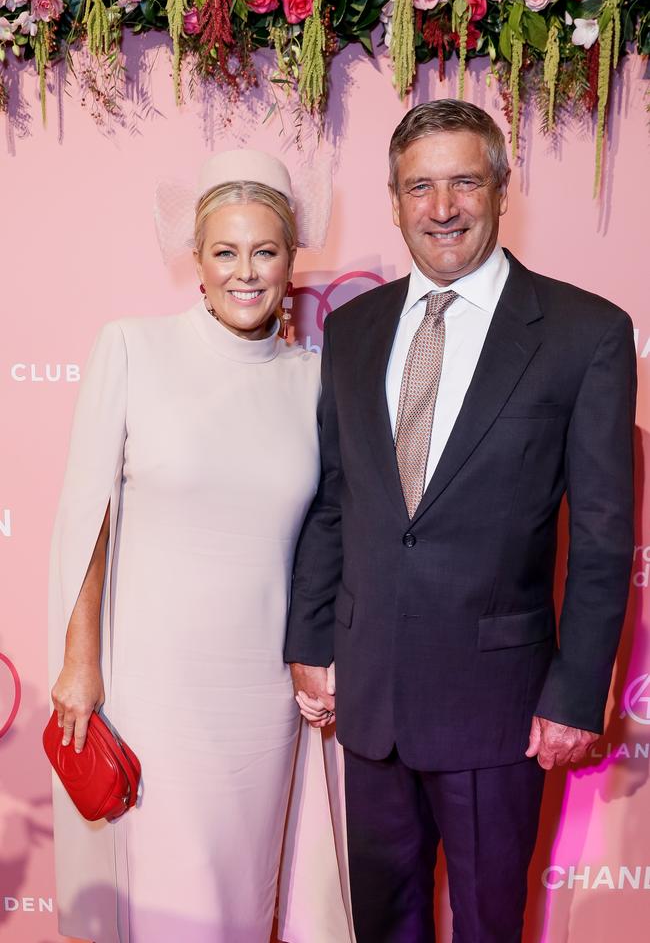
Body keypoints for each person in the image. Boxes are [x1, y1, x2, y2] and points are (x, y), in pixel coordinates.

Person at [284, 100, 636, 942]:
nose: (442, 207)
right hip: (370, 700)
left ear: (501, 189)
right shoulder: (355, 328)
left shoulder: (585, 333)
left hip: (499, 709)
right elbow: (338, 498)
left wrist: (576, 694)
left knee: (487, 924)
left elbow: (600, 540)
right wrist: (311, 639)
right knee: (384, 923)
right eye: (420, 187)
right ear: (397, 198)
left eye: (464, 182)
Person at [48, 150, 352, 943]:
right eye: (225, 251)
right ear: (197, 259)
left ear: (292, 259)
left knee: (245, 898)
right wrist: (82, 666)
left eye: (265, 251)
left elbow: (334, 532)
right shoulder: (131, 347)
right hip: (156, 687)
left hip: (264, 691)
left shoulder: (316, 378)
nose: (245, 272)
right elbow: (89, 519)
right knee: (173, 897)